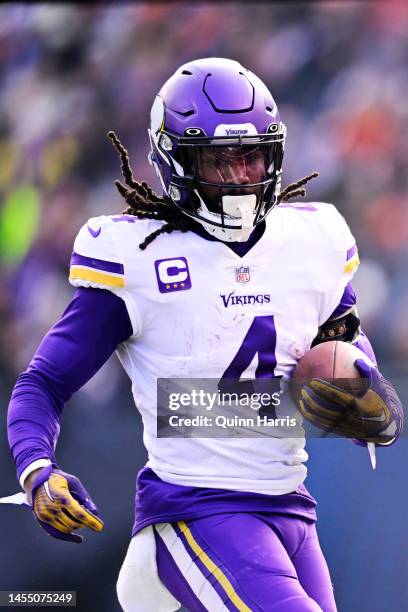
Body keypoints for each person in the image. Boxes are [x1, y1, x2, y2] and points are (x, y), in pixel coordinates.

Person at [7, 58, 403, 612]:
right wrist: (36, 470)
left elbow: (343, 344)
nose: (241, 176)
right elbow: (43, 383)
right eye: (218, 161)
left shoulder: (312, 239)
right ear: (174, 160)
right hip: (196, 509)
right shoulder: (137, 257)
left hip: (289, 504)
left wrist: (367, 396)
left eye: (251, 156)